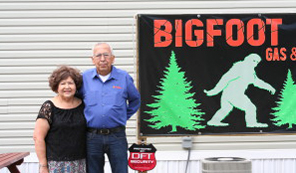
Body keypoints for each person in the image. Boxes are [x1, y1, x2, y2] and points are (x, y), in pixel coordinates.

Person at [79, 42, 141, 173]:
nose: (102, 59)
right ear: (92, 59)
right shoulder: (84, 78)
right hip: (91, 137)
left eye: (106, 55)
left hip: (116, 136)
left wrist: (124, 115)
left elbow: (135, 100)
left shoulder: (123, 77)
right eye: (98, 55)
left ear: (113, 58)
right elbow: (76, 102)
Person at [33, 65, 87, 173]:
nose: (67, 87)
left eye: (70, 83)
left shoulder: (83, 105)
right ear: (56, 87)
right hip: (55, 165)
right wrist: (43, 166)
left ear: (76, 86)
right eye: (63, 83)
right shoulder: (49, 107)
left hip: (81, 163)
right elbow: (38, 138)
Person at [204, 53, 276, 128]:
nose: (255, 64)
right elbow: (226, 78)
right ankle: (251, 123)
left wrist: (269, 87)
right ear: (248, 59)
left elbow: (257, 82)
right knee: (250, 107)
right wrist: (214, 91)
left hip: (228, 94)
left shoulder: (250, 71)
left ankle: (214, 121)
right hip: (234, 94)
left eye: (257, 62)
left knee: (225, 109)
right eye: (254, 61)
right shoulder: (240, 67)